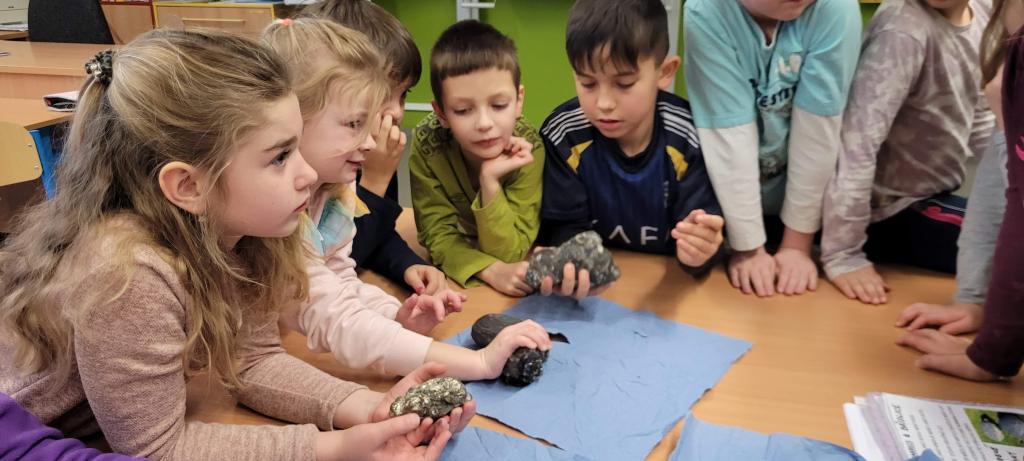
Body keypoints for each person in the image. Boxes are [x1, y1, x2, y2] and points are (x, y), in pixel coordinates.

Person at [0, 29, 467, 460]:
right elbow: (157, 450)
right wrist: (333, 448)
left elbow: (254, 362)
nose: (307, 174)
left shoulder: (247, 232)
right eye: (280, 157)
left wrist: (366, 407)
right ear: (188, 186)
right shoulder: (127, 272)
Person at [539, 0, 725, 300]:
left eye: (624, 84)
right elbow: (562, 228)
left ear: (665, 72)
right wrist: (570, 257)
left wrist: (699, 254)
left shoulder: (690, 137)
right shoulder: (564, 136)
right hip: (598, 299)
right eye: (587, 83)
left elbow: (701, 236)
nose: (604, 103)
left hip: (668, 292)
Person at [684, 0, 861, 297]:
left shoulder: (835, 8)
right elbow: (729, 137)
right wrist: (749, 248)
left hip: (807, 206)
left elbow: (817, 134)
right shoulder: (706, 11)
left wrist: (797, 245)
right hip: (731, 206)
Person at [822, 0, 994, 305]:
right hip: (891, 211)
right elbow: (858, 145)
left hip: (933, 195)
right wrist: (844, 253)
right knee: (1009, 246)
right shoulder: (903, 30)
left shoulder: (984, 12)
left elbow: (978, 113)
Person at [410, 20, 545, 297]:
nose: (484, 123)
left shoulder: (529, 148)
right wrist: (491, 270)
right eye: (463, 110)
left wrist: (489, 182)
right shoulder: (427, 144)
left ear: (519, 101)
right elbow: (437, 237)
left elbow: (511, 252)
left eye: (499, 105)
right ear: (441, 113)